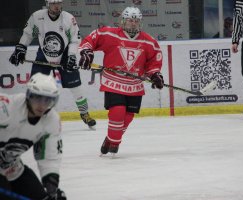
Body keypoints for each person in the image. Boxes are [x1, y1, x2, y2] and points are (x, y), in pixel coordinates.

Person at [78, 6, 164, 155]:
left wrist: (155, 75)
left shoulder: (149, 42)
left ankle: (110, 139)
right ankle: (115, 142)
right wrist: (86, 52)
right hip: (113, 81)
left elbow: (153, 63)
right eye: (130, 20)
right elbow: (90, 40)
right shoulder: (110, 34)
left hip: (134, 85)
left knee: (127, 118)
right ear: (123, 21)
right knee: (117, 112)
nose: (133, 23)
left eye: (136, 21)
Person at [8, 0, 96, 128]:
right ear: (48, 4)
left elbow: (74, 40)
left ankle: (85, 113)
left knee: (76, 87)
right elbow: (28, 33)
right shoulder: (37, 16)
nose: (56, 6)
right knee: (35, 86)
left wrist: (71, 56)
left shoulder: (68, 18)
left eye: (59, 3)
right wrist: (21, 48)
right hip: (44, 55)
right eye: (54, 3)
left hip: (65, 55)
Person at [0, 73, 66, 200]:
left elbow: (49, 157)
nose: (42, 105)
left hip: (12, 169)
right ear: (29, 95)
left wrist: (52, 186)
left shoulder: (51, 121)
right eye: (38, 98)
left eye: (48, 100)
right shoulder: (6, 107)